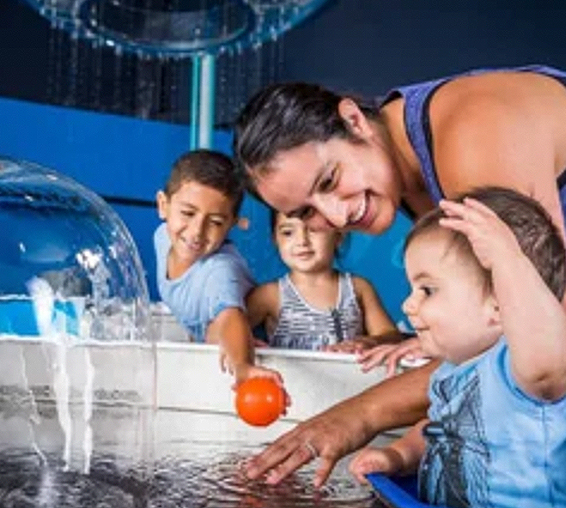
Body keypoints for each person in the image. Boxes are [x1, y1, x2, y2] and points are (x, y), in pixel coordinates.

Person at [232, 65, 566, 488]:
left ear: (354, 120)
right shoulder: (404, 177)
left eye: (330, 180)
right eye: (306, 213)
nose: (336, 216)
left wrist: (358, 415)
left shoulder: (470, 137)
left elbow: (541, 346)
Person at [349, 187, 566, 507]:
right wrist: (398, 455)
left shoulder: (522, 370)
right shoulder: (451, 372)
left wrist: (508, 260)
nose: (408, 305)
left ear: (499, 303)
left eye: (428, 290)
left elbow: (550, 362)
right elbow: (438, 432)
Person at [154, 149, 285, 387]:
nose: (196, 231)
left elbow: (230, 318)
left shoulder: (219, 272)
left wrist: (243, 365)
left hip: (249, 353)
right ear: (163, 205)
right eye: (187, 213)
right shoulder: (162, 238)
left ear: (232, 225)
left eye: (215, 222)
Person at [246, 207, 400, 350]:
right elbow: (227, 332)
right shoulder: (269, 295)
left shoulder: (358, 288)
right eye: (288, 233)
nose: (302, 241)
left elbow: (392, 336)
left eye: (313, 230)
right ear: (275, 239)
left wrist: (369, 342)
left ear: (339, 236)